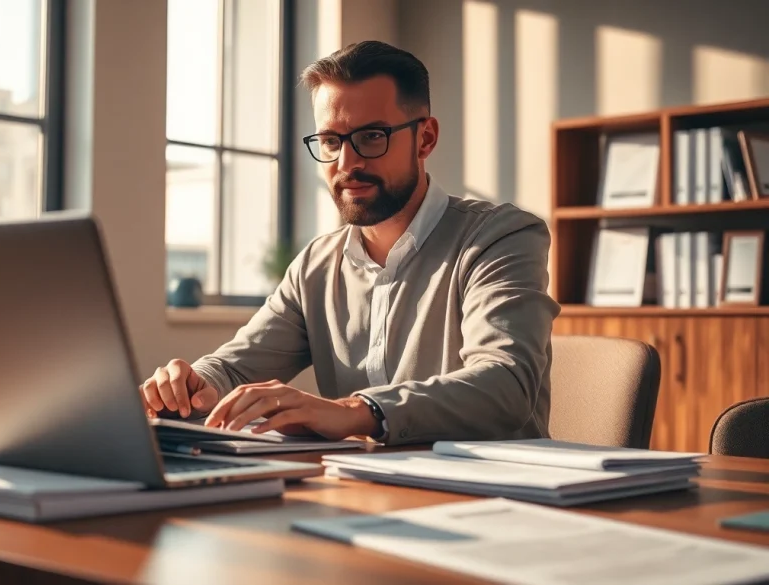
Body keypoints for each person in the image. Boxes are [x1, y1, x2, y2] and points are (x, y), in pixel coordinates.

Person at [140, 40, 561, 445]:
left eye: (372, 136)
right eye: (330, 141)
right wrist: (195, 386)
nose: (347, 163)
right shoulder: (315, 266)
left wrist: (357, 411)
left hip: (496, 496)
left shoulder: (500, 237)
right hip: (365, 491)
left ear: (425, 139)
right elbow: (234, 368)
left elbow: (505, 382)